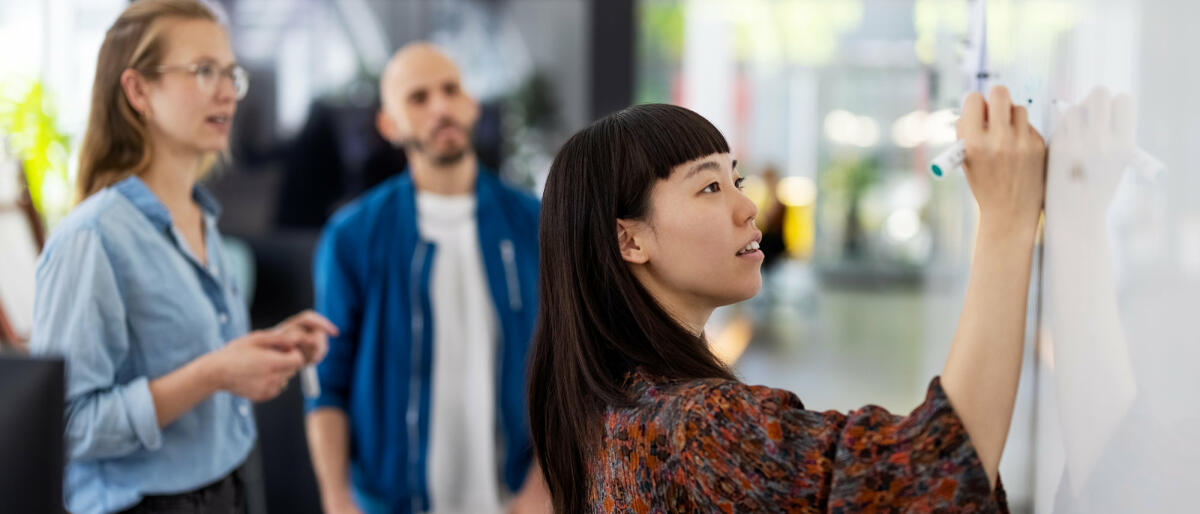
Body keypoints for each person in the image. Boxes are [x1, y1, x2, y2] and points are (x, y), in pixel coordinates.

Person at [528, 91, 1045, 512]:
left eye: (737, 180)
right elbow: (936, 473)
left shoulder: (611, 406)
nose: (748, 207)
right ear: (630, 241)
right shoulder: (696, 426)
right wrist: (1006, 222)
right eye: (710, 187)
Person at [28, 1, 336, 513]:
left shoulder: (200, 218)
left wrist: (263, 349)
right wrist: (214, 372)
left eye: (230, 73)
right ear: (137, 91)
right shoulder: (93, 237)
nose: (227, 92)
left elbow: (193, 356)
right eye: (203, 70)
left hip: (227, 488)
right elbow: (65, 426)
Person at [305, 43, 548, 514]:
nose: (440, 107)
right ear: (389, 125)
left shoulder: (534, 224)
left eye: (451, 90)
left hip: (515, 500)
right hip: (389, 502)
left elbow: (571, 370)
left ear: (471, 104)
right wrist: (337, 500)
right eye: (418, 98)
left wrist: (544, 485)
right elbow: (326, 381)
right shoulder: (352, 236)